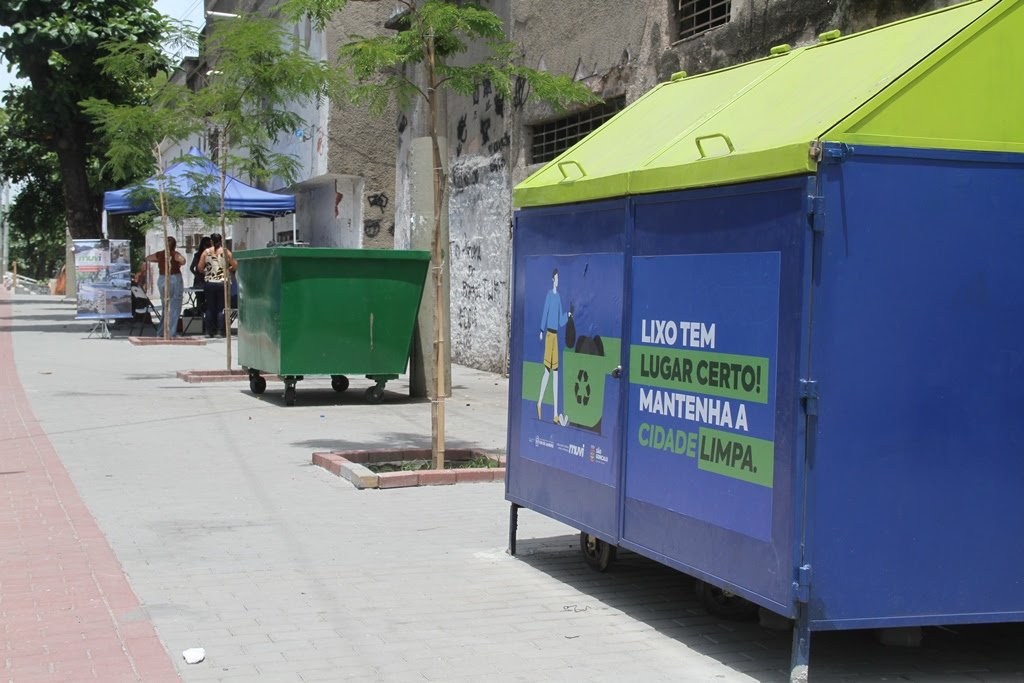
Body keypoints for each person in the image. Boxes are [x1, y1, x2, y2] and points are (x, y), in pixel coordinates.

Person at [536, 268, 571, 424]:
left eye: (558, 278)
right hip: (549, 335)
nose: (557, 281)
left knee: (556, 373)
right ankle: (539, 402)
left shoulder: (559, 298)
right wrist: (541, 330)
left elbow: (561, 321)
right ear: (552, 279)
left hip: (555, 336)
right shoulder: (550, 296)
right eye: (556, 278)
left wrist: (568, 316)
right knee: (547, 372)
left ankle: (556, 413)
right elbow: (545, 313)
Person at [140, 236, 186, 338]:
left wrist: (160, 261)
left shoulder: (160, 254)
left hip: (162, 278)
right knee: (175, 306)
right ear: (174, 245)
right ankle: (171, 333)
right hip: (174, 278)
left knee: (165, 306)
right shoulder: (174, 254)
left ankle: (161, 331)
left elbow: (148, 258)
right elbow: (183, 261)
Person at [197, 233, 237, 337]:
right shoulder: (226, 252)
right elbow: (235, 265)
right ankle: (220, 331)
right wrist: (227, 270)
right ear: (221, 240)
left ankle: (209, 331)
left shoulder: (206, 252)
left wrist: (207, 272)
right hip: (222, 283)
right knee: (221, 308)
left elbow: (200, 267)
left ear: (211, 241)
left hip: (210, 282)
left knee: (210, 307)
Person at [189, 236, 212, 314]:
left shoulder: (212, 255)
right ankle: (200, 320)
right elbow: (192, 268)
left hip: (207, 281)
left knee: (207, 302)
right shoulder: (198, 255)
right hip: (201, 282)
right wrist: (198, 275)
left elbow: (192, 268)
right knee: (201, 302)